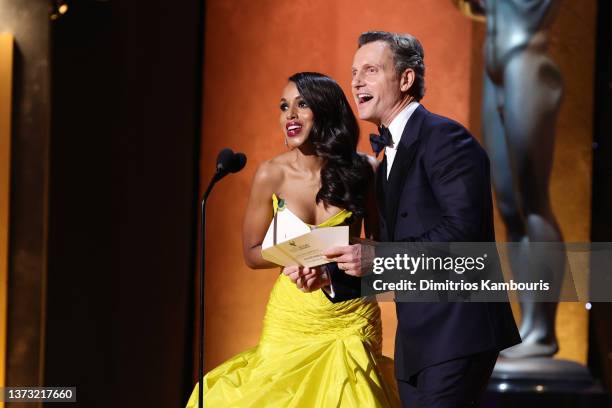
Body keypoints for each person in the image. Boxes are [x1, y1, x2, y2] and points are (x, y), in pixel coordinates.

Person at [287, 31, 521, 407]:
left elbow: (463, 236)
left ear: (406, 79)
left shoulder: (445, 138)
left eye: (370, 70)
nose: (356, 81)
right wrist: (329, 276)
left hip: (457, 332)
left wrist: (377, 256)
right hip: (417, 344)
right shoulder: (383, 162)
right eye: (353, 72)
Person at [185, 72, 400, 407]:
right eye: (284, 106)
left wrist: (334, 259)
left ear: (326, 110)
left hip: (350, 317)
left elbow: (383, 250)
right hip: (292, 315)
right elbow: (252, 254)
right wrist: (295, 255)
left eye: (302, 105)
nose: (290, 115)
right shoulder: (271, 174)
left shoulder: (366, 170)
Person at [454, 0, 566, 360]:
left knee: (533, 198)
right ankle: (528, 324)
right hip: (494, 63)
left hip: (526, 60)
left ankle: (543, 331)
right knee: (507, 204)